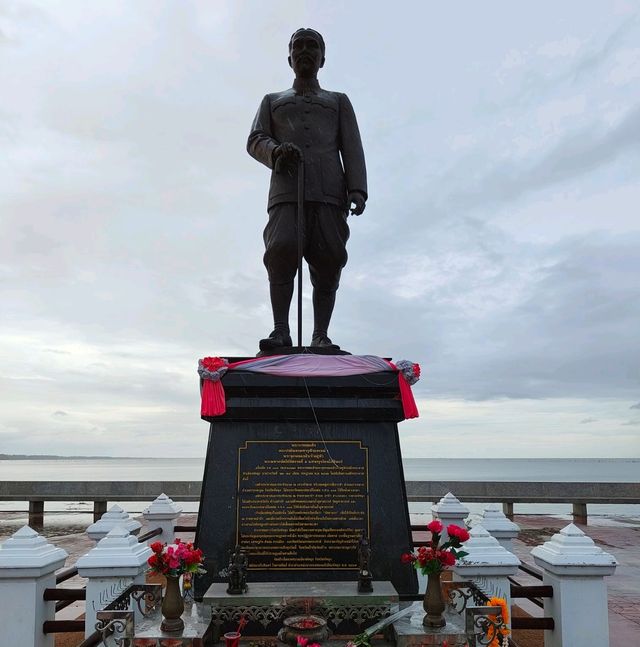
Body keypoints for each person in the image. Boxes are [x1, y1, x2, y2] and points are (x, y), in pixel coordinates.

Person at [247, 28, 367, 351]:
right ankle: (281, 331)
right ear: (289, 58)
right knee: (281, 252)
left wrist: (357, 188)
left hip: (330, 193)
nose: (304, 50)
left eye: (312, 46)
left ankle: (320, 335)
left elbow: (352, 146)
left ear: (323, 58)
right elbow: (255, 139)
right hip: (287, 193)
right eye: (298, 46)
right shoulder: (272, 101)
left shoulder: (338, 102)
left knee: (329, 260)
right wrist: (275, 152)